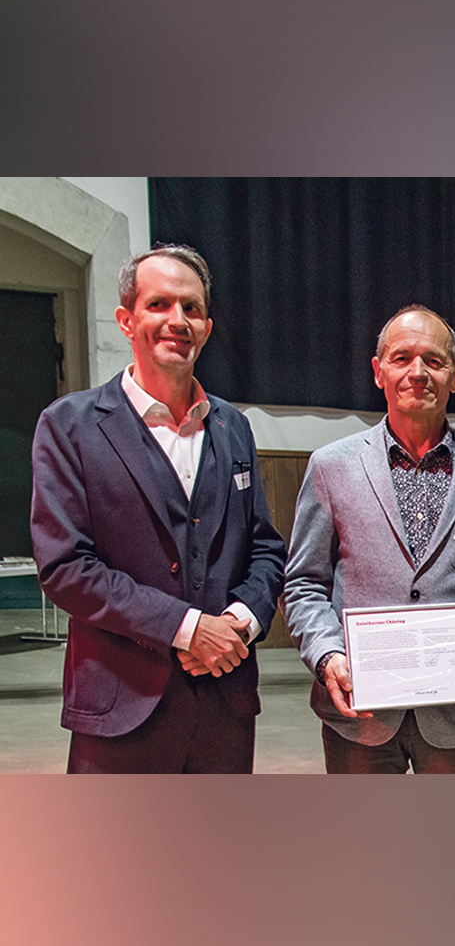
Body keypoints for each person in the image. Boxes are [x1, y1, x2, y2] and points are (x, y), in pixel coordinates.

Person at [30, 244, 287, 773]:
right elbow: (65, 567)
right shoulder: (69, 425)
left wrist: (239, 623)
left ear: (207, 328)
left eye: (191, 308)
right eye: (159, 304)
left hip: (225, 706)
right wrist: (187, 628)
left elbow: (264, 548)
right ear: (126, 320)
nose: (178, 320)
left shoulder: (232, 427)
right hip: (120, 708)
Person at [284, 305, 455, 773]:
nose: (418, 372)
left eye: (434, 361)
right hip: (360, 715)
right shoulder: (331, 467)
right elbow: (303, 584)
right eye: (402, 358)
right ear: (378, 371)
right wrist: (328, 655)